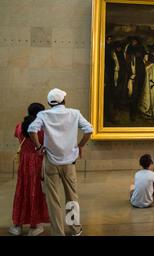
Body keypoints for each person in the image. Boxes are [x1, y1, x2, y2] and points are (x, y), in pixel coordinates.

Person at [28, 88, 93, 236]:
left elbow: (32, 129)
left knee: (53, 199)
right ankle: (75, 229)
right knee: (72, 196)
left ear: (49, 103)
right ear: (64, 100)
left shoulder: (43, 115)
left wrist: (38, 147)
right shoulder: (74, 113)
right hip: (69, 162)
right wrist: (80, 145)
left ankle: (58, 232)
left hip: (51, 161)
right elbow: (89, 130)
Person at [9, 103, 50, 236]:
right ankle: (35, 226)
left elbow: (17, 136)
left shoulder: (19, 127)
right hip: (38, 162)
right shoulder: (42, 129)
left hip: (24, 163)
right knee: (36, 191)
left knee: (22, 190)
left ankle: (17, 225)